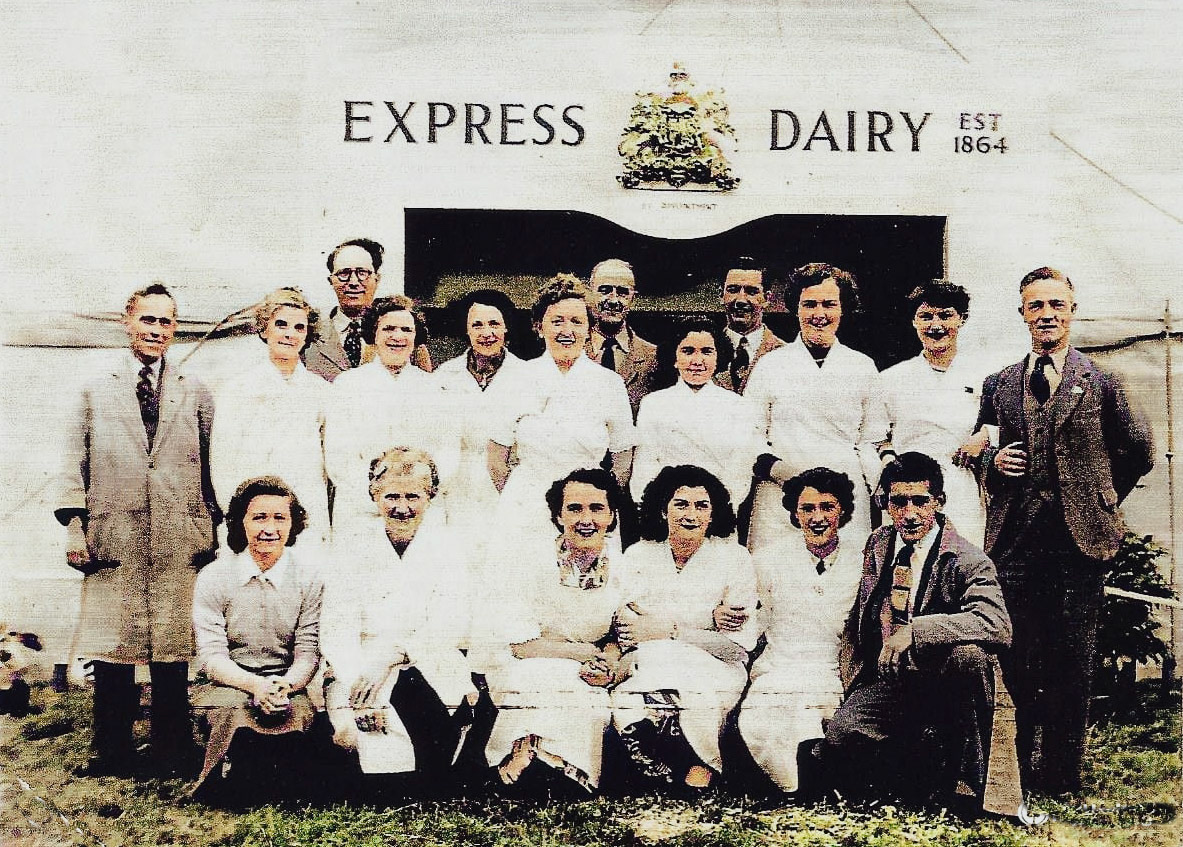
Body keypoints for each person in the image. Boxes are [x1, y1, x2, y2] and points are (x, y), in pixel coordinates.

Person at [977, 267, 1154, 795]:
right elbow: (982, 445)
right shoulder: (999, 384)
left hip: (1078, 545)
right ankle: (1020, 767)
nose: (1047, 315)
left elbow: (1139, 450)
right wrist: (993, 464)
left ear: (1072, 312)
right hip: (1015, 542)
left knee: (1071, 659)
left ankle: (1061, 774)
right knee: (1018, 653)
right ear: (1022, 314)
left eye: (1057, 305)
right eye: (1036, 306)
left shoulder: (1102, 381)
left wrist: (1097, 499)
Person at [57, 283, 219, 778]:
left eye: (166, 322)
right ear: (127, 322)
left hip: (177, 533)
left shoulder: (196, 391)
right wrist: (75, 528)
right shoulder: (94, 390)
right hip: (114, 533)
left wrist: (209, 527)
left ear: (175, 328)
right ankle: (112, 750)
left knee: (172, 645)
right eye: (148, 320)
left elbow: (212, 464)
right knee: (114, 644)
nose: (156, 330)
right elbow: (73, 463)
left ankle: (173, 747)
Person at [822, 452, 1011, 809]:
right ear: (886, 504)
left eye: (920, 501)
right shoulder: (879, 544)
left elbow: (996, 623)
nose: (909, 514)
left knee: (970, 656)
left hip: (943, 683)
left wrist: (917, 630)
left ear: (939, 501)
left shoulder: (967, 559)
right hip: (890, 680)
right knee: (842, 737)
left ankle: (963, 786)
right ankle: (912, 770)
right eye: (898, 502)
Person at [320, 447, 476, 794]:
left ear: (430, 496)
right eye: (392, 496)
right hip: (361, 666)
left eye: (412, 496)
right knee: (365, 728)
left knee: (419, 709)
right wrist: (362, 680)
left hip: (428, 659)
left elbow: (451, 622)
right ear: (374, 495)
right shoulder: (351, 549)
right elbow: (336, 628)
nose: (402, 508)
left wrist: (395, 655)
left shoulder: (448, 548)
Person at [611, 465, 758, 793]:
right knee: (635, 694)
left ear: (713, 514)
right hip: (648, 662)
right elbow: (627, 628)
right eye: (681, 504)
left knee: (693, 694)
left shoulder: (735, 558)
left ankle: (694, 767)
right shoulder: (638, 555)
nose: (691, 514)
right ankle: (675, 764)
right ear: (663, 510)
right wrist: (707, 622)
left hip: (715, 666)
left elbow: (736, 648)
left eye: (701, 506)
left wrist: (671, 629)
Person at [482, 468, 627, 797]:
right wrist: (583, 653)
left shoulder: (624, 568)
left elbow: (619, 634)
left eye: (596, 508)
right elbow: (521, 646)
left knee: (585, 693)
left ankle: (560, 770)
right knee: (546, 677)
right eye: (574, 509)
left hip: (588, 668)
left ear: (611, 516)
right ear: (558, 516)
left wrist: (607, 662)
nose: (586, 520)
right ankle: (525, 761)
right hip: (526, 662)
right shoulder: (529, 562)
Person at [190, 476, 323, 805]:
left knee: (297, 718)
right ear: (240, 522)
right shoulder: (214, 576)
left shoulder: (309, 577)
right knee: (236, 716)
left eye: (280, 518)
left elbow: (308, 652)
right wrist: (254, 686)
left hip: (285, 683)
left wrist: (284, 685)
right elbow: (212, 657)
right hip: (228, 683)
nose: (269, 529)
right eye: (259, 517)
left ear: (293, 523)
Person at [745, 262, 888, 554]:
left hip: (845, 500)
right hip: (780, 498)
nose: (819, 314)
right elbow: (748, 434)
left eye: (829, 304)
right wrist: (783, 473)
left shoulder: (862, 367)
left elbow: (872, 440)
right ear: (796, 309)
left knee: (845, 574)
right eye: (809, 304)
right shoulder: (770, 365)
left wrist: (881, 485)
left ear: (842, 309)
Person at [738, 468, 861, 795]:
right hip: (780, 665)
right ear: (795, 513)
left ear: (842, 511)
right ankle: (797, 783)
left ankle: (810, 777)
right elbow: (752, 618)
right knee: (763, 716)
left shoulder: (862, 563)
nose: (817, 518)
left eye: (827, 507)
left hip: (832, 670)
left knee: (813, 712)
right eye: (807, 509)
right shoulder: (769, 559)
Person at [488, 274, 635, 541]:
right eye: (557, 321)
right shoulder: (515, 379)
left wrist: (599, 502)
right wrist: (523, 498)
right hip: (526, 511)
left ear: (589, 329)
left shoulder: (609, 383)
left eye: (577, 322)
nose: (567, 330)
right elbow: (496, 461)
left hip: (589, 513)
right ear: (539, 327)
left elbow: (623, 460)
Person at [324, 296, 458, 534]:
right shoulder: (348, 385)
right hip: (362, 513)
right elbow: (339, 459)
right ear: (374, 334)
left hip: (422, 514)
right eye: (388, 328)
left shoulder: (437, 388)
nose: (398, 336)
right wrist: (380, 500)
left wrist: (416, 500)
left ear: (416, 337)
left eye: (406, 329)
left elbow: (448, 453)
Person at [211, 288, 331, 544]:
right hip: (254, 521)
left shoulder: (321, 391)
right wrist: (239, 518)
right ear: (264, 329)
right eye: (281, 324)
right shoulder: (238, 389)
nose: (290, 334)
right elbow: (222, 464)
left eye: (299, 327)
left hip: (308, 515)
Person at [880, 280, 991, 546]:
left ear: (962, 319)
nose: (936, 325)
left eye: (945, 315)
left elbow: (1006, 423)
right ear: (914, 321)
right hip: (907, 495)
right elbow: (876, 437)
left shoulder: (985, 376)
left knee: (962, 559)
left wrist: (986, 435)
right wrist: (889, 464)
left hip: (962, 490)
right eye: (926, 316)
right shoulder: (891, 379)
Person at [632, 318, 764, 508]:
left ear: (718, 357)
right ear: (674, 358)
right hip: (667, 507)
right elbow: (645, 464)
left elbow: (740, 467)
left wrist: (721, 507)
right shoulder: (654, 404)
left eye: (706, 351)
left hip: (718, 508)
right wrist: (655, 506)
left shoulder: (738, 406)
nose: (697, 361)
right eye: (688, 351)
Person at [434, 289, 527, 540]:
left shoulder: (528, 376)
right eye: (477, 325)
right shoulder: (444, 376)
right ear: (466, 330)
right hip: (457, 489)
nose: (487, 333)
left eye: (494, 324)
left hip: (507, 488)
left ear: (506, 328)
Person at [304, 237, 431, 381]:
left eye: (362, 273)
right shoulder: (309, 330)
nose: (353, 282)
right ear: (331, 280)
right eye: (344, 273)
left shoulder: (404, 335)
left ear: (377, 279)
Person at [585, 259, 658, 418]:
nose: (613, 300)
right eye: (605, 290)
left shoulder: (653, 358)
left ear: (633, 298)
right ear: (590, 293)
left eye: (623, 292)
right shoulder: (573, 352)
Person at [713, 257, 786, 394]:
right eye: (733, 290)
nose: (741, 300)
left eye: (751, 292)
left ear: (767, 298)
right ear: (721, 295)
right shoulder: (702, 351)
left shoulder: (786, 356)